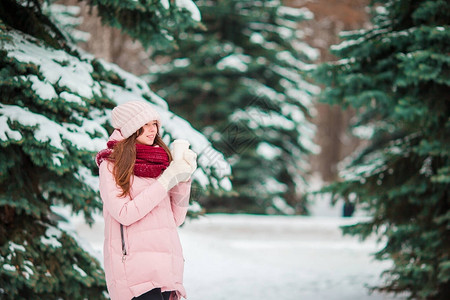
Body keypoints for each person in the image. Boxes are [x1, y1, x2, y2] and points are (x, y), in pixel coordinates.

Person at [96, 100, 197, 300]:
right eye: (146, 124)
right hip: (134, 272)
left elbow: (175, 219)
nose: (153, 130)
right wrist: (167, 180)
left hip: (166, 268)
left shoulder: (160, 161)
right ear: (132, 128)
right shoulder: (111, 165)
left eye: (154, 124)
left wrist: (183, 177)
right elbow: (124, 213)